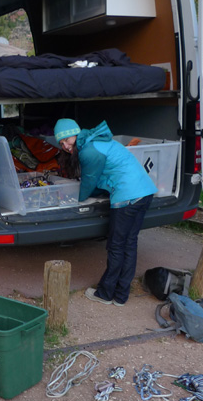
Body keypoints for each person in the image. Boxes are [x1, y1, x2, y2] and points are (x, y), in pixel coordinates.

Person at [53, 118, 157, 306]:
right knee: (129, 243)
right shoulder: (95, 140)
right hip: (145, 192)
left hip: (127, 196)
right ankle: (121, 295)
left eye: (66, 140)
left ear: (74, 134)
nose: (65, 146)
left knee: (116, 246)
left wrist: (73, 199)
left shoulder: (88, 151)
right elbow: (103, 175)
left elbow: (89, 182)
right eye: (61, 144)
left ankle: (105, 293)